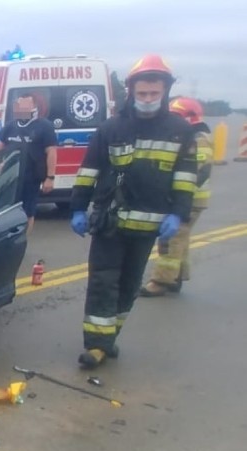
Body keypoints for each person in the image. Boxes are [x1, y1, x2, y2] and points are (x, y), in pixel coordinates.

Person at [69, 54, 198, 369]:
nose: (148, 100)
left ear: (165, 92)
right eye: (142, 94)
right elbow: (89, 172)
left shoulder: (180, 131)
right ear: (131, 92)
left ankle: (109, 337)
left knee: (128, 286)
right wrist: (77, 208)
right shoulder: (111, 128)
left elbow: (185, 179)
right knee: (103, 282)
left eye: (154, 94)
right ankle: (96, 345)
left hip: (149, 227)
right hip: (110, 223)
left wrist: (178, 214)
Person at [140, 97, 213, 297]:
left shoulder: (199, 137)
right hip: (191, 198)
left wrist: (177, 193)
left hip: (189, 199)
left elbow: (200, 170)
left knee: (170, 239)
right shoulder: (194, 134)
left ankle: (161, 281)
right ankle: (177, 276)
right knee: (181, 238)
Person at [0, 93, 58, 231]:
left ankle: (22, 240)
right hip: (9, 177)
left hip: (31, 178)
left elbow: (51, 152)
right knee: (6, 210)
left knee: (27, 212)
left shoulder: (45, 126)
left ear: (34, 107)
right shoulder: (10, 126)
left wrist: (50, 178)